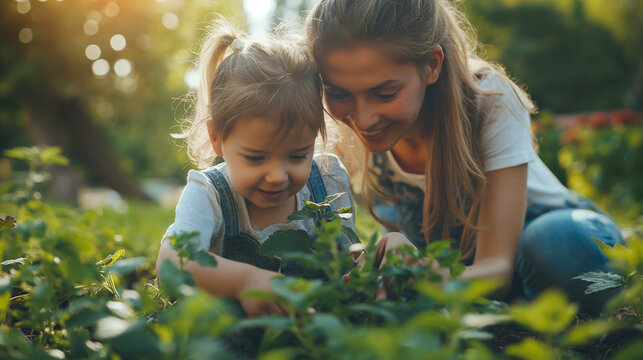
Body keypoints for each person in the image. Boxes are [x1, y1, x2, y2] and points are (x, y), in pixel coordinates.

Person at [305, 0, 624, 312]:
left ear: (432, 65)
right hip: (467, 272)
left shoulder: (488, 100)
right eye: (338, 93)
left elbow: (497, 270)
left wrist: (417, 271)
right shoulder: (345, 131)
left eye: (385, 93)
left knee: (558, 245)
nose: (363, 120)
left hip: (549, 237)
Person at [155, 19, 357, 317]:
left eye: (298, 156)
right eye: (256, 158)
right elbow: (171, 263)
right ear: (217, 139)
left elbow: (349, 257)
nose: (277, 176)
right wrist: (245, 281)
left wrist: (365, 268)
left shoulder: (326, 182)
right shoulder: (209, 195)